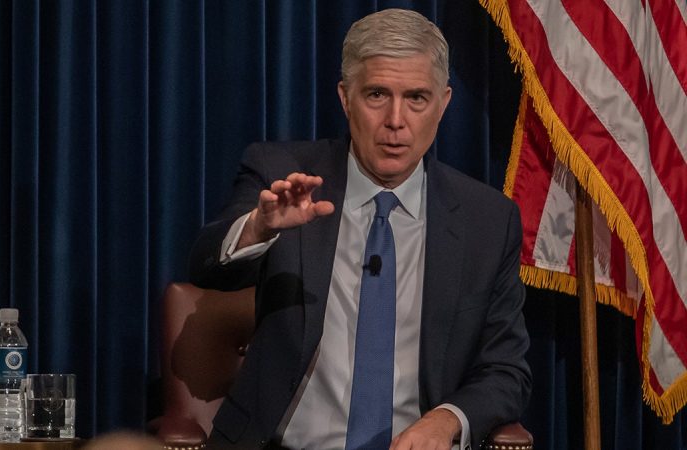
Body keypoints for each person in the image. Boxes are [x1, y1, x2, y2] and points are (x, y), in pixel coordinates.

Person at [189, 8, 531, 450]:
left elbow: (506, 370)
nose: (395, 120)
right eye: (376, 94)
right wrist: (258, 228)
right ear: (345, 97)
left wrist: (447, 419)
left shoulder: (487, 220)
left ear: (443, 103)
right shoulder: (283, 175)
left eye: (416, 98)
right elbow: (206, 267)